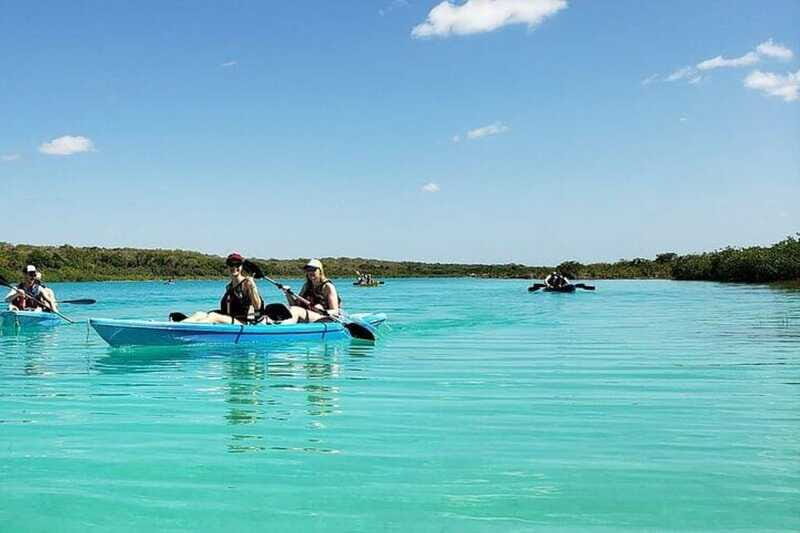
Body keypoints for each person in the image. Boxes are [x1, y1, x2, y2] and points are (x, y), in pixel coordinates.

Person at [179, 252, 262, 324]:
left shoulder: (247, 283)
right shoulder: (229, 286)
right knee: (199, 314)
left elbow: (257, 306)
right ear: (228, 266)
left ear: (241, 266)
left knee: (214, 316)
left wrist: (253, 286)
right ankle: (178, 326)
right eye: (231, 264)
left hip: (242, 322)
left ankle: (194, 328)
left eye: (237, 264)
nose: (234, 267)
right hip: (228, 319)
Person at [280, 259, 341, 324]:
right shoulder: (306, 286)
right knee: (285, 309)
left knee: (295, 310)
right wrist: (287, 293)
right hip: (312, 316)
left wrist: (323, 311)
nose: (310, 272)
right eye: (308, 270)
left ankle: (282, 330)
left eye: (313, 269)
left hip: (325, 318)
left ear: (320, 271)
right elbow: (295, 305)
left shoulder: (327, 286)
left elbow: (335, 311)